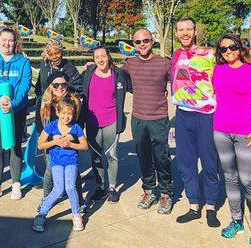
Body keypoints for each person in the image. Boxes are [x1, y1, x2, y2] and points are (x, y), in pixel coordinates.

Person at [212, 34, 251, 247]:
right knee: (230, 178)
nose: (228, 51)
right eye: (224, 49)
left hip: (247, 133)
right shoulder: (217, 70)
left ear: (240, 47)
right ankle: (236, 221)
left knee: (248, 180)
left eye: (232, 47)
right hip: (220, 131)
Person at [171, 17, 221, 227]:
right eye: (181, 30)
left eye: (188, 29)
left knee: (209, 162)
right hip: (183, 115)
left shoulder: (210, 54)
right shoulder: (176, 55)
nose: (185, 33)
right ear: (176, 33)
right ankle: (193, 206)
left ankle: (210, 206)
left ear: (194, 31)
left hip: (206, 115)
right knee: (186, 162)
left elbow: (228, 73)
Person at [121, 29, 173, 214]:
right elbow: (117, 77)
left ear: (152, 42)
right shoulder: (130, 64)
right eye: (138, 42)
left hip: (158, 118)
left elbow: (180, 82)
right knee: (144, 157)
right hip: (138, 118)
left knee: (161, 157)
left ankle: (166, 193)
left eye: (145, 40)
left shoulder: (165, 63)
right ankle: (149, 190)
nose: (142, 44)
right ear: (134, 45)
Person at [0, 28, 32, 201]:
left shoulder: (23, 62)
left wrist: (13, 103)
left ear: (15, 42)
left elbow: (25, 85)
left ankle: (16, 183)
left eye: (10, 40)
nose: (7, 43)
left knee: (15, 146)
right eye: (4, 40)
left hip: (16, 110)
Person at [82, 46, 130, 204]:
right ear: (94, 59)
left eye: (103, 56)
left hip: (111, 121)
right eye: (97, 57)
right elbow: (73, 84)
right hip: (92, 122)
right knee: (95, 156)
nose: (100, 59)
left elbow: (135, 86)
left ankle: (112, 188)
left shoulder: (119, 74)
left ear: (109, 57)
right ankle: (100, 186)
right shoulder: (88, 72)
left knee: (111, 155)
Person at [33, 95, 88, 232]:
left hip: (71, 162)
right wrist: (55, 142)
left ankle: (76, 215)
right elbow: (40, 145)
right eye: (64, 113)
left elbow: (84, 146)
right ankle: (41, 215)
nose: (67, 117)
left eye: (70, 114)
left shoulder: (76, 128)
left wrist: (71, 144)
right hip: (56, 162)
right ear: (57, 113)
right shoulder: (51, 126)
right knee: (58, 189)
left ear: (73, 114)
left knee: (70, 187)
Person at [35, 71, 85, 211]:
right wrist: (53, 138)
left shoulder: (73, 101)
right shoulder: (43, 102)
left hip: (68, 142)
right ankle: (46, 197)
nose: (60, 88)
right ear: (50, 86)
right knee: (50, 171)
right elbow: (39, 125)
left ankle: (79, 200)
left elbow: (79, 123)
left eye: (63, 84)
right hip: (51, 142)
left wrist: (71, 136)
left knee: (74, 173)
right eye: (56, 85)